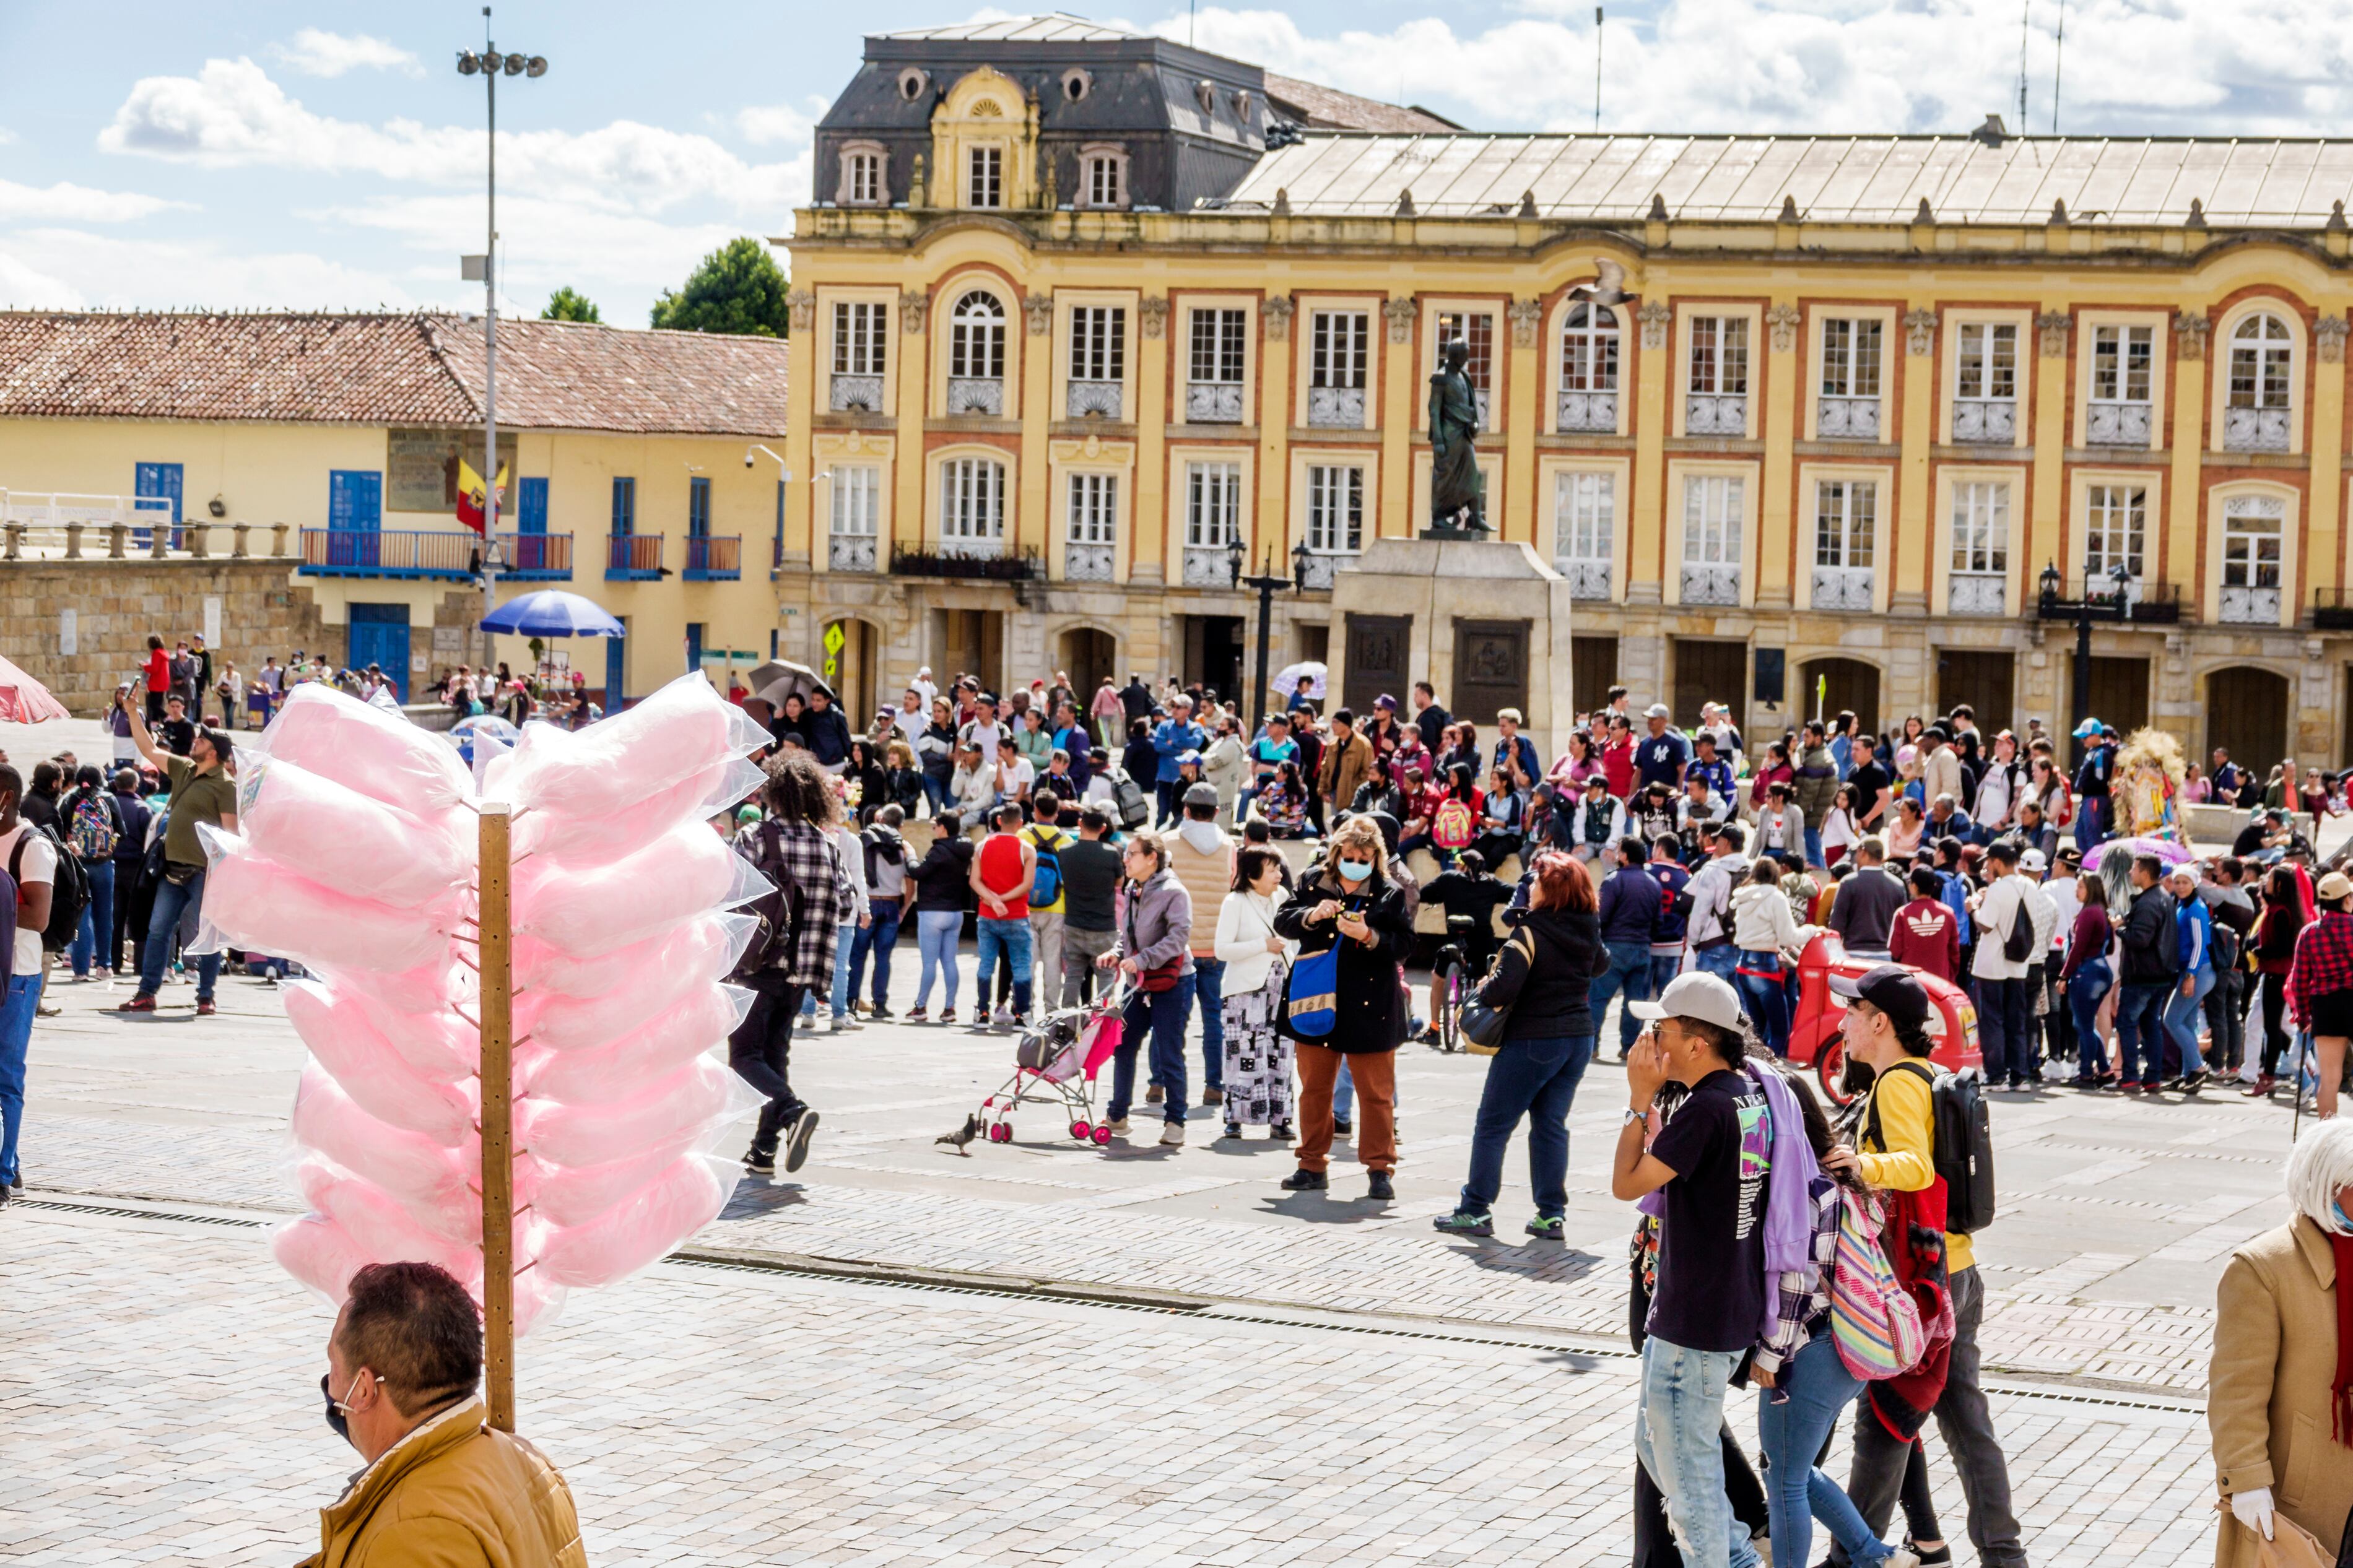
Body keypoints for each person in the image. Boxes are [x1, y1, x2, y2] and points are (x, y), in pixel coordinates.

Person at [1820, 966, 2022, 1568]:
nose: (1842, 1021)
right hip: (1955, 1272)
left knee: (1883, 1422)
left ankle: (1849, 1560)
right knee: (1964, 1423)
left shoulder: (1894, 1084)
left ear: (1879, 1022)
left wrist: (1856, 1163)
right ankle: (2003, 1555)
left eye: (1852, 1011)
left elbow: (1915, 1166)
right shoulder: (1926, 1075)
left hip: (1914, 1283)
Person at [1610, 971, 1771, 1568]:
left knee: (1691, 1476)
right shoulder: (1748, 1096)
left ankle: (1733, 1561)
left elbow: (1627, 1183)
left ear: (1697, 1043)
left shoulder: (1703, 1110)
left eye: (1663, 1029)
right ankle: (1736, 1553)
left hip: (1693, 1321)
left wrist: (1638, 1099)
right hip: (1720, 1308)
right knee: (1658, 1445)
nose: (1652, 1039)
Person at [1752, 1068, 1924, 1568]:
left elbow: (1800, 1282)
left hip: (1813, 1346)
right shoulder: (1837, 1175)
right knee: (1796, 1469)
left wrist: (1772, 1352)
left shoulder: (1806, 1185)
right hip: (1847, 1347)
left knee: (1784, 1479)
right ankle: (1876, 1554)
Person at [311, 1260, 586, 1564]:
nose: (330, 1384)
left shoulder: (409, 1532)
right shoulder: (527, 1459)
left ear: (364, 1389)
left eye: (334, 1366)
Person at [1434, 851, 1603, 1238]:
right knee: (1550, 1126)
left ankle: (1475, 1209)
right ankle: (1551, 1214)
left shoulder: (1531, 931)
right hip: (1578, 1037)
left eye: (1536, 882)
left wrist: (1483, 986)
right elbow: (1600, 965)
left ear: (1549, 890)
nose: (1530, 887)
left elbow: (1504, 989)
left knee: (1493, 1125)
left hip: (1534, 1038)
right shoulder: (1588, 927)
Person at [2210, 1119, 2353, 1568]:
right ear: (2331, 1188)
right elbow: (2236, 1390)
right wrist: (2247, 1479)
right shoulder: (2262, 1268)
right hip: (2306, 1498)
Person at [1274, 815, 1413, 1198]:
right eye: (1350, 854)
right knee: (1315, 1090)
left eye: (1365, 855)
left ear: (1376, 857)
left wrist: (1370, 936)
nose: (1357, 860)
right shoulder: (1311, 881)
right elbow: (1283, 921)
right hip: (1316, 1000)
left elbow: (1405, 945)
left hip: (1371, 1006)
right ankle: (1311, 1164)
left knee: (1376, 1093)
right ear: (1336, 853)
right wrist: (1310, 915)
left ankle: (1380, 1169)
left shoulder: (1388, 892)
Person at [728, 752, 851, 1176]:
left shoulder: (756, 836)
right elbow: (848, 901)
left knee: (744, 1056)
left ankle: (792, 1110)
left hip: (756, 964)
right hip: (802, 970)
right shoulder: (827, 845)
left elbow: (727, 889)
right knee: (775, 1056)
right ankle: (763, 1150)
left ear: (774, 792)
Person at [116, 714, 237, 1016]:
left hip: (203, 874)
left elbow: (231, 835)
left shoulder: (226, 786)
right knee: (158, 931)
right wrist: (132, 712)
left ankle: (206, 996)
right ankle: (147, 993)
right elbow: (149, 749)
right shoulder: (185, 768)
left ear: (214, 753)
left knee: (208, 937)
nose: (195, 740)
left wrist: (221, 877)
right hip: (173, 870)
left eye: (202, 740)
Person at [1100, 829, 1195, 1145]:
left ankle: (1176, 1121)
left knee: (1169, 1052)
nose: (1125, 859)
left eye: (1132, 854)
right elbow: (1128, 934)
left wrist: (1142, 960)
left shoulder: (1174, 891)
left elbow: (1179, 938)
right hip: (1139, 985)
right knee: (1122, 1045)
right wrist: (1116, 955)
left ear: (1152, 858)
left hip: (1173, 981)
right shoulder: (1132, 888)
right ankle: (1117, 1115)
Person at [0, 766, 55, 1206]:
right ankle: (9, 1159)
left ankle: (4, 1171)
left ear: (6, 797)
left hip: (17, 974)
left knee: (7, 1075)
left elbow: (38, 917)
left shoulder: (31, 846)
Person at [1214, 845, 1295, 1141]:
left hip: (1280, 984)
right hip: (1244, 991)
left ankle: (1280, 1118)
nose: (1279, 874)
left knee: (1281, 1052)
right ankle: (1235, 1118)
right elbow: (1221, 950)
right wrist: (1263, 945)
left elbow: (1293, 942)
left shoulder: (1283, 898)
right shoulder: (1235, 901)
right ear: (1252, 875)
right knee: (1241, 1054)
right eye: (1272, 869)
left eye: (1278, 868)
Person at [1167, 783, 1235, 1107]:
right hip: (1215, 947)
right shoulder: (1229, 847)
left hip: (1177, 947)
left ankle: (1158, 1083)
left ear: (1186, 809)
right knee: (1214, 1018)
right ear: (1217, 813)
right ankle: (1214, 1085)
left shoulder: (1167, 844)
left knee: (1169, 1019)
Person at [1968, 841, 2038, 1089]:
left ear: (1997, 862)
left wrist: (1974, 908)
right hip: (2018, 964)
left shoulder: (1997, 890)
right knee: (2016, 1021)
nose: (1987, 866)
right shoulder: (2031, 885)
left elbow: (1985, 925)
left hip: (1991, 965)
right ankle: (2020, 1075)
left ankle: (1996, 1074)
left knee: (1992, 1021)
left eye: (1989, 862)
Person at [2287, 870, 2353, 1122]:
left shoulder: (2309, 933)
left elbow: (2299, 980)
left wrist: (2304, 1016)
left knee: (2329, 1078)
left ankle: (2326, 1136)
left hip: (2326, 1006)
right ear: (2347, 899)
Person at [1590, 837, 1661, 1060]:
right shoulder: (1654, 883)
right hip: (1642, 949)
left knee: (1598, 999)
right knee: (1635, 1003)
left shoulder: (1614, 881)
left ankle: (1591, 1046)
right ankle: (1629, 1048)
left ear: (1624, 856)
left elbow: (1601, 917)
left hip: (1615, 947)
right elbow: (1658, 921)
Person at [2116, 852, 2181, 1095]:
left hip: (2143, 975)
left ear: (2144, 872)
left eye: (2133, 869)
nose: (2131, 873)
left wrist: (2120, 929)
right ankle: (2152, 1077)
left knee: (2127, 1023)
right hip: (2160, 975)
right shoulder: (2163, 898)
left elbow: (2140, 939)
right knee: (2151, 1025)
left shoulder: (2148, 902)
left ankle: (2131, 1076)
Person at [969, 800, 1038, 1028]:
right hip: (1016, 915)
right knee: (1020, 964)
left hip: (987, 915)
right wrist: (1004, 899)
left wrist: (992, 900)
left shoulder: (982, 846)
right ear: (1021, 823)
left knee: (986, 964)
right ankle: (1022, 1014)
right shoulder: (1027, 849)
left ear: (999, 820)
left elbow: (974, 881)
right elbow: (1027, 885)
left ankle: (983, 1012)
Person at [2245, 862, 2310, 1096]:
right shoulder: (2276, 909)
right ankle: (2304, 1068)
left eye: (2271, 878)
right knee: (2274, 1027)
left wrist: (2260, 951)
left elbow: (2283, 947)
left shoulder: (2281, 912)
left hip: (2277, 973)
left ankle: (2269, 1077)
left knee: (2273, 1028)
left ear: (2280, 885)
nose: (2266, 881)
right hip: (2273, 972)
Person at [1731, 856, 1805, 1059]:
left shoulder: (1744, 897)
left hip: (1744, 965)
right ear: (1776, 875)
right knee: (1780, 1029)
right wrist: (1812, 931)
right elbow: (1788, 936)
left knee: (1756, 1030)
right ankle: (1767, 1072)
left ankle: (1751, 1069)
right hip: (1765, 966)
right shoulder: (1776, 897)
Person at [907, 811, 973, 1024]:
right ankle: (950, 1008)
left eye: (935, 826)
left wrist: (910, 856)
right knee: (949, 962)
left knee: (929, 963)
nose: (933, 829)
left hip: (932, 912)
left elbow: (918, 872)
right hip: (955, 912)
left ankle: (921, 1006)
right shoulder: (964, 849)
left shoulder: (939, 851)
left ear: (943, 828)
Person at [59, 766, 123, 981]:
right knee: (104, 916)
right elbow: (121, 830)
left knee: (82, 917)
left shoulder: (70, 800)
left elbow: (62, 832)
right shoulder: (109, 799)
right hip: (104, 865)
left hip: (78, 866)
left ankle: (80, 970)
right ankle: (104, 966)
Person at [1058, 807, 1124, 1007]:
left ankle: (1065, 1021)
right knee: (1105, 974)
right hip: (1103, 926)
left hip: (1074, 923)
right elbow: (1120, 882)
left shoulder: (1065, 852)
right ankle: (1103, 1021)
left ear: (1080, 823)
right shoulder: (1112, 854)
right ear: (1103, 828)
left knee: (1073, 975)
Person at [848, 804, 910, 1019]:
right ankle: (880, 1005)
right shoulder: (903, 846)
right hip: (892, 904)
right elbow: (911, 881)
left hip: (869, 903)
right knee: (883, 957)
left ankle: (851, 1003)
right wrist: (905, 907)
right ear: (901, 825)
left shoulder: (864, 841)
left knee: (857, 956)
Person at [2059, 869, 2116, 1088]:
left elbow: (2078, 948)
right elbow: (2109, 947)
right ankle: (2105, 1071)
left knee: (2083, 1026)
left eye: (2081, 886)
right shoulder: (2101, 911)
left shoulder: (2089, 912)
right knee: (2085, 1025)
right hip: (2102, 969)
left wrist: (2064, 975)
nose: (2077, 890)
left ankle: (2085, 1074)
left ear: (2091, 889)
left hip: (2087, 972)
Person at [2161, 863, 2216, 1091]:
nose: (2181, 886)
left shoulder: (2195, 908)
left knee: (2171, 1020)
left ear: (2194, 884)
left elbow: (2200, 944)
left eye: (2185, 882)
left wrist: (2191, 975)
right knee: (2186, 1022)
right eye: (2177, 882)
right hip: (2192, 971)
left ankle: (2198, 1068)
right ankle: (2189, 1075)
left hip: (2197, 971)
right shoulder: (2184, 905)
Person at [1681, 822, 1749, 982]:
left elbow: (1700, 911)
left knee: (1707, 1003)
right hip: (1743, 946)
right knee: (1737, 1004)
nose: (1715, 845)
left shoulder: (1712, 869)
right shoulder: (1752, 869)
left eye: (1717, 840)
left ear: (1725, 842)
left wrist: (1694, 942)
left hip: (1713, 944)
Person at [1828, 838, 1904, 961]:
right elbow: (1901, 927)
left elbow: (1837, 923)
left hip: (1853, 954)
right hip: (1885, 955)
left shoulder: (1848, 883)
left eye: (1856, 853)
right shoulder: (1898, 885)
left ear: (1863, 852)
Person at [1887, 865, 1960, 982]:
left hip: (1910, 981)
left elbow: (1895, 951)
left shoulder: (1902, 913)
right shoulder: (1948, 913)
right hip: (1940, 982)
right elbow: (1955, 952)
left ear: (1914, 886)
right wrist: (1950, 976)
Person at [1635, 703, 1692, 792]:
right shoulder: (1644, 743)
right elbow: (1638, 772)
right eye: (1649, 718)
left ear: (1664, 721)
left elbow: (1682, 771)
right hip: (1646, 796)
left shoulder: (1675, 743)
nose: (1649, 721)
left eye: (1653, 719)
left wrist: (1680, 793)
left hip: (1667, 797)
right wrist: (1631, 796)